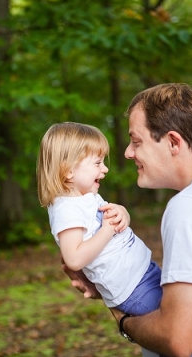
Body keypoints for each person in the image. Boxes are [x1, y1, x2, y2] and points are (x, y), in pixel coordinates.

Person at [65, 83, 192, 356]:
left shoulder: (190, 207)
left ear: (173, 142)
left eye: (137, 141)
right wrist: (114, 280)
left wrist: (122, 318)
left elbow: (178, 340)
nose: (127, 152)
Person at [37, 123, 162, 318]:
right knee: (177, 326)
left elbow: (110, 220)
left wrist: (122, 213)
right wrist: (107, 230)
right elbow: (74, 259)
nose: (105, 169)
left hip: (144, 273)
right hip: (133, 289)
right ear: (68, 170)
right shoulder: (66, 209)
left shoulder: (86, 197)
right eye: (97, 163)